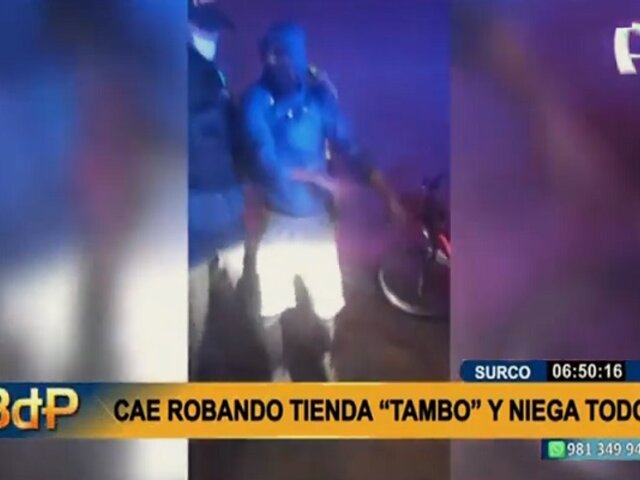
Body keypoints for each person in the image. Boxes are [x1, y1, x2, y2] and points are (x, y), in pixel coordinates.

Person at [241, 22, 405, 382]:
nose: (291, 63)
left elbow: (351, 147)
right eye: (279, 55)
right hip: (276, 223)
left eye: (295, 54)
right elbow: (264, 159)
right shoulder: (256, 100)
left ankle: (326, 358)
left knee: (328, 306)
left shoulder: (318, 97)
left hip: (317, 225)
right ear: (267, 58)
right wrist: (319, 179)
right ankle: (278, 370)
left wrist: (387, 194)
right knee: (270, 309)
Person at [188, 1, 246, 377]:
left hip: (226, 214)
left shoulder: (215, 79)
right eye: (203, 29)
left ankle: (212, 367)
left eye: (215, 31)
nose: (211, 37)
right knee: (193, 314)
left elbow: (236, 143)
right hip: (192, 219)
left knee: (221, 303)